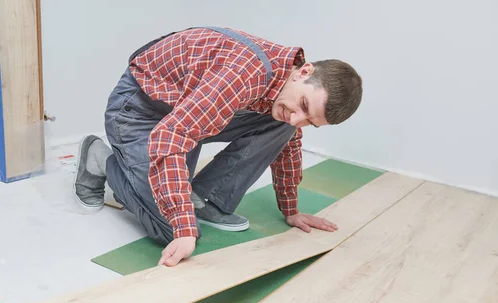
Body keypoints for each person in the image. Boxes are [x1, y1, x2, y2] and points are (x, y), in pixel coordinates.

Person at [73, 26, 362, 267]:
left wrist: (291, 209)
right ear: (304, 71)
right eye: (303, 105)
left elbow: (288, 142)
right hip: (140, 112)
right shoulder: (245, 74)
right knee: (168, 227)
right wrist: (183, 227)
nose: (298, 118)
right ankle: (100, 158)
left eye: (310, 121)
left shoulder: (284, 87)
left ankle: (205, 198)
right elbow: (170, 135)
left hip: (183, 112)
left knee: (282, 124)